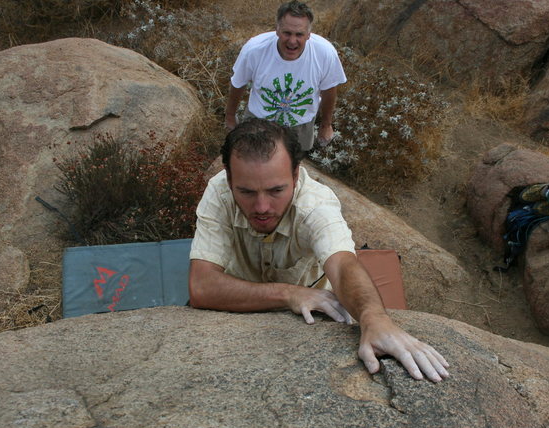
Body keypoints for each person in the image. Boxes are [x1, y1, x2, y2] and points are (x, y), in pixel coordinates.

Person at [189, 118, 450, 382]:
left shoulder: (316, 204)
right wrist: (289, 294)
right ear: (229, 177)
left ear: (295, 174)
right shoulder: (218, 191)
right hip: (244, 306)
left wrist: (375, 319)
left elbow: (342, 264)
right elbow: (202, 286)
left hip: (314, 310)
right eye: (245, 191)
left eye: (276, 190)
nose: (262, 207)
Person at [224, 1, 346, 152]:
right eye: (287, 33)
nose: (292, 41)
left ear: (309, 34)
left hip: (300, 124)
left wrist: (326, 125)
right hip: (259, 119)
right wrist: (230, 115)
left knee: (291, 168)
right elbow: (238, 83)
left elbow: (329, 91)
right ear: (277, 30)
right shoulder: (254, 50)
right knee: (252, 163)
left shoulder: (325, 53)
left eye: (299, 34)